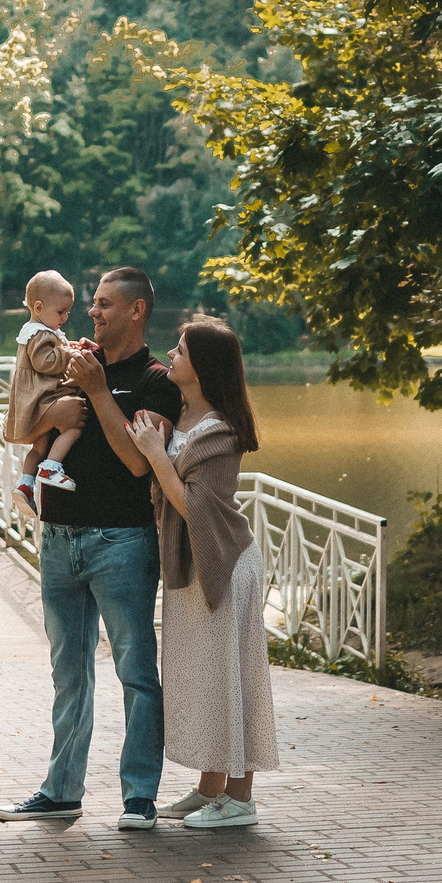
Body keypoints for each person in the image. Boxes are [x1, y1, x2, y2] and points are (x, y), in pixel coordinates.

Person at [0, 267, 181, 831]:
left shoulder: (156, 380)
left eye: (102, 304)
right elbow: (20, 423)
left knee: (136, 670)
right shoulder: (69, 357)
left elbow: (137, 462)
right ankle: (61, 791)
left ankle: (139, 796)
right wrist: (50, 413)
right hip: (58, 537)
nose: (91, 313)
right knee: (68, 672)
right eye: (90, 303)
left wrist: (98, 392)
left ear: (136, 310)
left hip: (121, 541)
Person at [129, 317, 278, 829]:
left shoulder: (221, 430)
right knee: (209, 676)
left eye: (182, 351)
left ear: (203, 367)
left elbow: (195, 508)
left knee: (231, 678)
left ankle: (240, 799)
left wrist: (153, 455)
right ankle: (210, 788)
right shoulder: (186, 416)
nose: (172, 354)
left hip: (223, 562)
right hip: (194, 562)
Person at [4, 270, 90, 506]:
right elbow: (46, 362)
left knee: (39, 445)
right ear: (39, 308)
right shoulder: (38, 333)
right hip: (43, 397)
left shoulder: (41, 330)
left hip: (37, 399)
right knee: (75, 424)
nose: (65, 317)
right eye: (61, 312)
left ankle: (25, 484)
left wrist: (64, 345)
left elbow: (49, 353)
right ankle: (51, 467)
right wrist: (68, 353)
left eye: (68, 312)